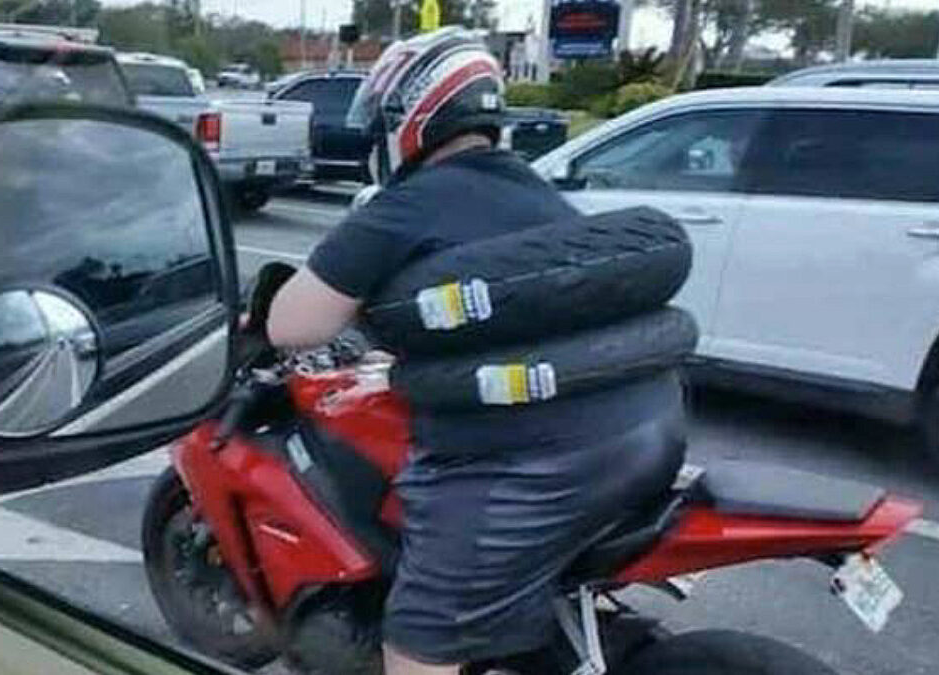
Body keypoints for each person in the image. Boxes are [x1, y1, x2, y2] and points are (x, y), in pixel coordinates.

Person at [264, 28, 686, 675]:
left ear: (410, 114)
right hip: (650, 431)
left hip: (542, 466)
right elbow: (519, 314)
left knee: (419, 637)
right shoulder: (534, 190)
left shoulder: (405, 207)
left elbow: (291, 325)